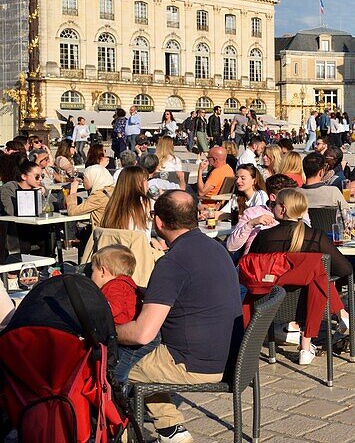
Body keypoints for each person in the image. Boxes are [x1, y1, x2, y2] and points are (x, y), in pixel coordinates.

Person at [118, 190, 242, 442]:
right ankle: (170, 428)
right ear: (195, 216)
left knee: (115, 363)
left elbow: (143, 333)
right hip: (231, 356)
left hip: (193, 363)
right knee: (147, 362)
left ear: (159, 222)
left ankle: (114, 432)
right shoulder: (216, 248)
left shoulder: (172, 262)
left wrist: (108, 329)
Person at [248, 187, 355, 362]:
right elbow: (346, 270)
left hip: (270, 303)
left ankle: (274, 352)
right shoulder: (315, 236)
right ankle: (311, 341)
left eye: (274, 204)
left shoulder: (264, 237)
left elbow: (252, 266)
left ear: (283, 209)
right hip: (310, 303)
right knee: (318, 273)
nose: (271, 207)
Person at [91, 244, 157, 383]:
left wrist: (95, 311)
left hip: (131, 341)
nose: (91, 275)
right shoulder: (127, 283)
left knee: (116, 371)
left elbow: (115, 307)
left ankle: (119, 396)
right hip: (139, 332)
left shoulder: (114, 286)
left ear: (103, 271)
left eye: (92, 271)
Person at [65, 144, 115, 225]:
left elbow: (72, 212)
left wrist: (73, 192)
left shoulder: (98, 196)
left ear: (92, 178)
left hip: (103, 234)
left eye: (84, 178)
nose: (83, 180)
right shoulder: (114, 191)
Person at [101, 166, 154, 239]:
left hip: (115, 247)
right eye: (146, 180)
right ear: (139, 183)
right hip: (139, 247)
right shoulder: (146, 203)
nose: (148, 184)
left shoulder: (113, 204)